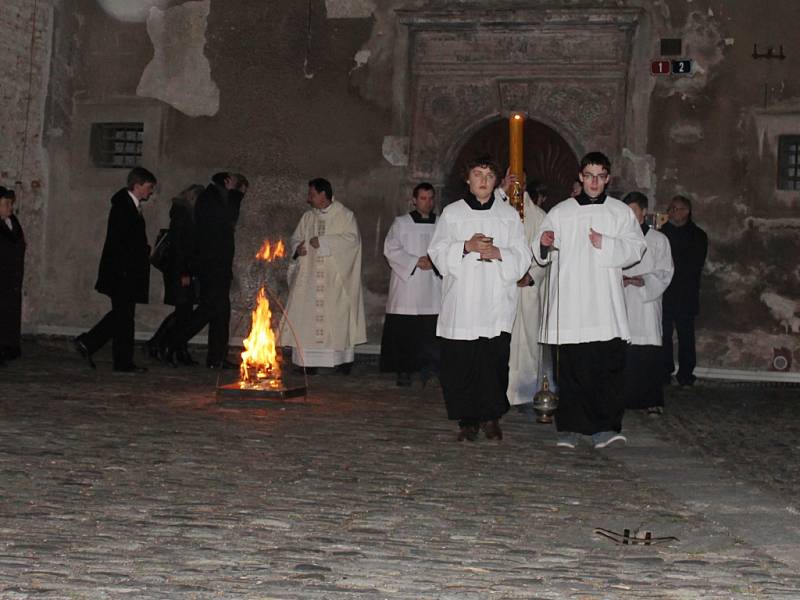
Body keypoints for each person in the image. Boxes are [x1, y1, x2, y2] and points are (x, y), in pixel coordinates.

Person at [534, 152, 646, 449]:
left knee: (605, 368)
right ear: (580, 177)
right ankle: (569, 427)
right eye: (589, 175)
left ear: (608, 178)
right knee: (570, 369)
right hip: (570, 300)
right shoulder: (561, 211)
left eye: (600, 176)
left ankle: (605, 428)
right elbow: (540, 246)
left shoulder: (620, 212)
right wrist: (543, 244)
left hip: (604, 302)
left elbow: (637, 248)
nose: (594, 181)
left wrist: (606, 244)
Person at [428, 156, 531, 442]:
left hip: (495, 302)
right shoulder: (452, 213)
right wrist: (466, 246)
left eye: (488, 174)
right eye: (477, 174)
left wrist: (499, 253)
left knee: (493, 363)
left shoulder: (508, 215)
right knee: (460, 365)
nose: (483, 180)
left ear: (496, 181)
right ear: (468, 179)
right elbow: (437, 252)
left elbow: (522, 255)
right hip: (462, 302)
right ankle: (467, 420)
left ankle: (491, 417)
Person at [278, 178, 366, 373]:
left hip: (334, 279)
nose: (308, 199)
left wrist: (325, 242)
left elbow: (352, 241)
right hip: (309, 279)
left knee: (336, 316)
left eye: (312, 194)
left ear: (323, 194)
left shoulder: (345, 215)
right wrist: (297, 248)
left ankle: (340, 362)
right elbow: (295, 239)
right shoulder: (308, 217)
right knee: (306, 317)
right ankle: (306, 363)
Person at [74, 167, 157, 372]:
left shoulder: (129, 205)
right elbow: (122, 242)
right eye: (148, 187)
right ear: (137, 186)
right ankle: (115, 357)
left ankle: (96, 346)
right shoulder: (124, 207)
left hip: (124, 272)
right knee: (124, 316)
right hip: (122, 273)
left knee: (123, 316)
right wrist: (141, 252)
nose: (150, 191)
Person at [164, 172, 247, 369]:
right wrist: (236, 195)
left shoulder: (217, 198)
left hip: (218, 265)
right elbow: (229, 220)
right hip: (211, 266)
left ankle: (216, 357)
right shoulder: (211, 199)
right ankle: (171, 342)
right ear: (227, 182)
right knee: (208, 310)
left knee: (221, 312)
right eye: (236, 187)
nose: (239, 193)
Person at [495, 170, 550, 414]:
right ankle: (497, 392)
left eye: (520, 182)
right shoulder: (496, 211)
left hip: (526, 290)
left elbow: (547, 254)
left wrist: (530, 276)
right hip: (499, 287)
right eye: (510, 181)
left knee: (526, 342)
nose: (515, 185)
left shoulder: (539, 216)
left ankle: (525, 392)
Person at [380, 182, 442, 387]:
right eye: (423, 198)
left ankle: (431, 368)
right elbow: (391, 249)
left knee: (430, 331)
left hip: (433, 286)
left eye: (431, 198)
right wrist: (415, 261)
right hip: (408, 287)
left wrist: (435, 262)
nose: (428, 203)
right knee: (406, 331)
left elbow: (448, 248)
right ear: (414, 200)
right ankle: (404, 370)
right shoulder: (401, 223)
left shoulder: (441, 223)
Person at [621, 192, 674, 415]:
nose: (630, 216)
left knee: (647, 353)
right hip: (622, 300)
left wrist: (642, 280)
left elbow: (665, 271)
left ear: (643, 212)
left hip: (646, 301)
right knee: (623, 351)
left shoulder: (658, 240)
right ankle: (622, 399)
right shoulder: (619, 239)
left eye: (633, 210)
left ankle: (651, 400)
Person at [146, 184, 204, 365]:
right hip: (179, 272)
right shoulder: (182, 215)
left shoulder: (185, 214)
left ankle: (173, 348)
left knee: (183, 313)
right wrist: (184, 273)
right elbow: (180, 248)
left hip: (181, 271)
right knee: (182, 313)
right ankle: (163, 346)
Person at [660, 194, 708, 386]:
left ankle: (686, 374)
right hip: (665, 292)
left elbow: (694, 264)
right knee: (663, 334)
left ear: (686, 212)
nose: (671, 212)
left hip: (686, 293)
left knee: (685, 335)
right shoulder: (662, 233)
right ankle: (664, 371)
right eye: (670, 209)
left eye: (675, 209)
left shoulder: (698, 236)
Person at [0, 187, 26, 364]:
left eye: (10, 204)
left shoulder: (12, 221)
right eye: (6, 204)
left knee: (10, 312)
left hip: (12, 276)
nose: (10, 208)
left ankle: (10, 346)